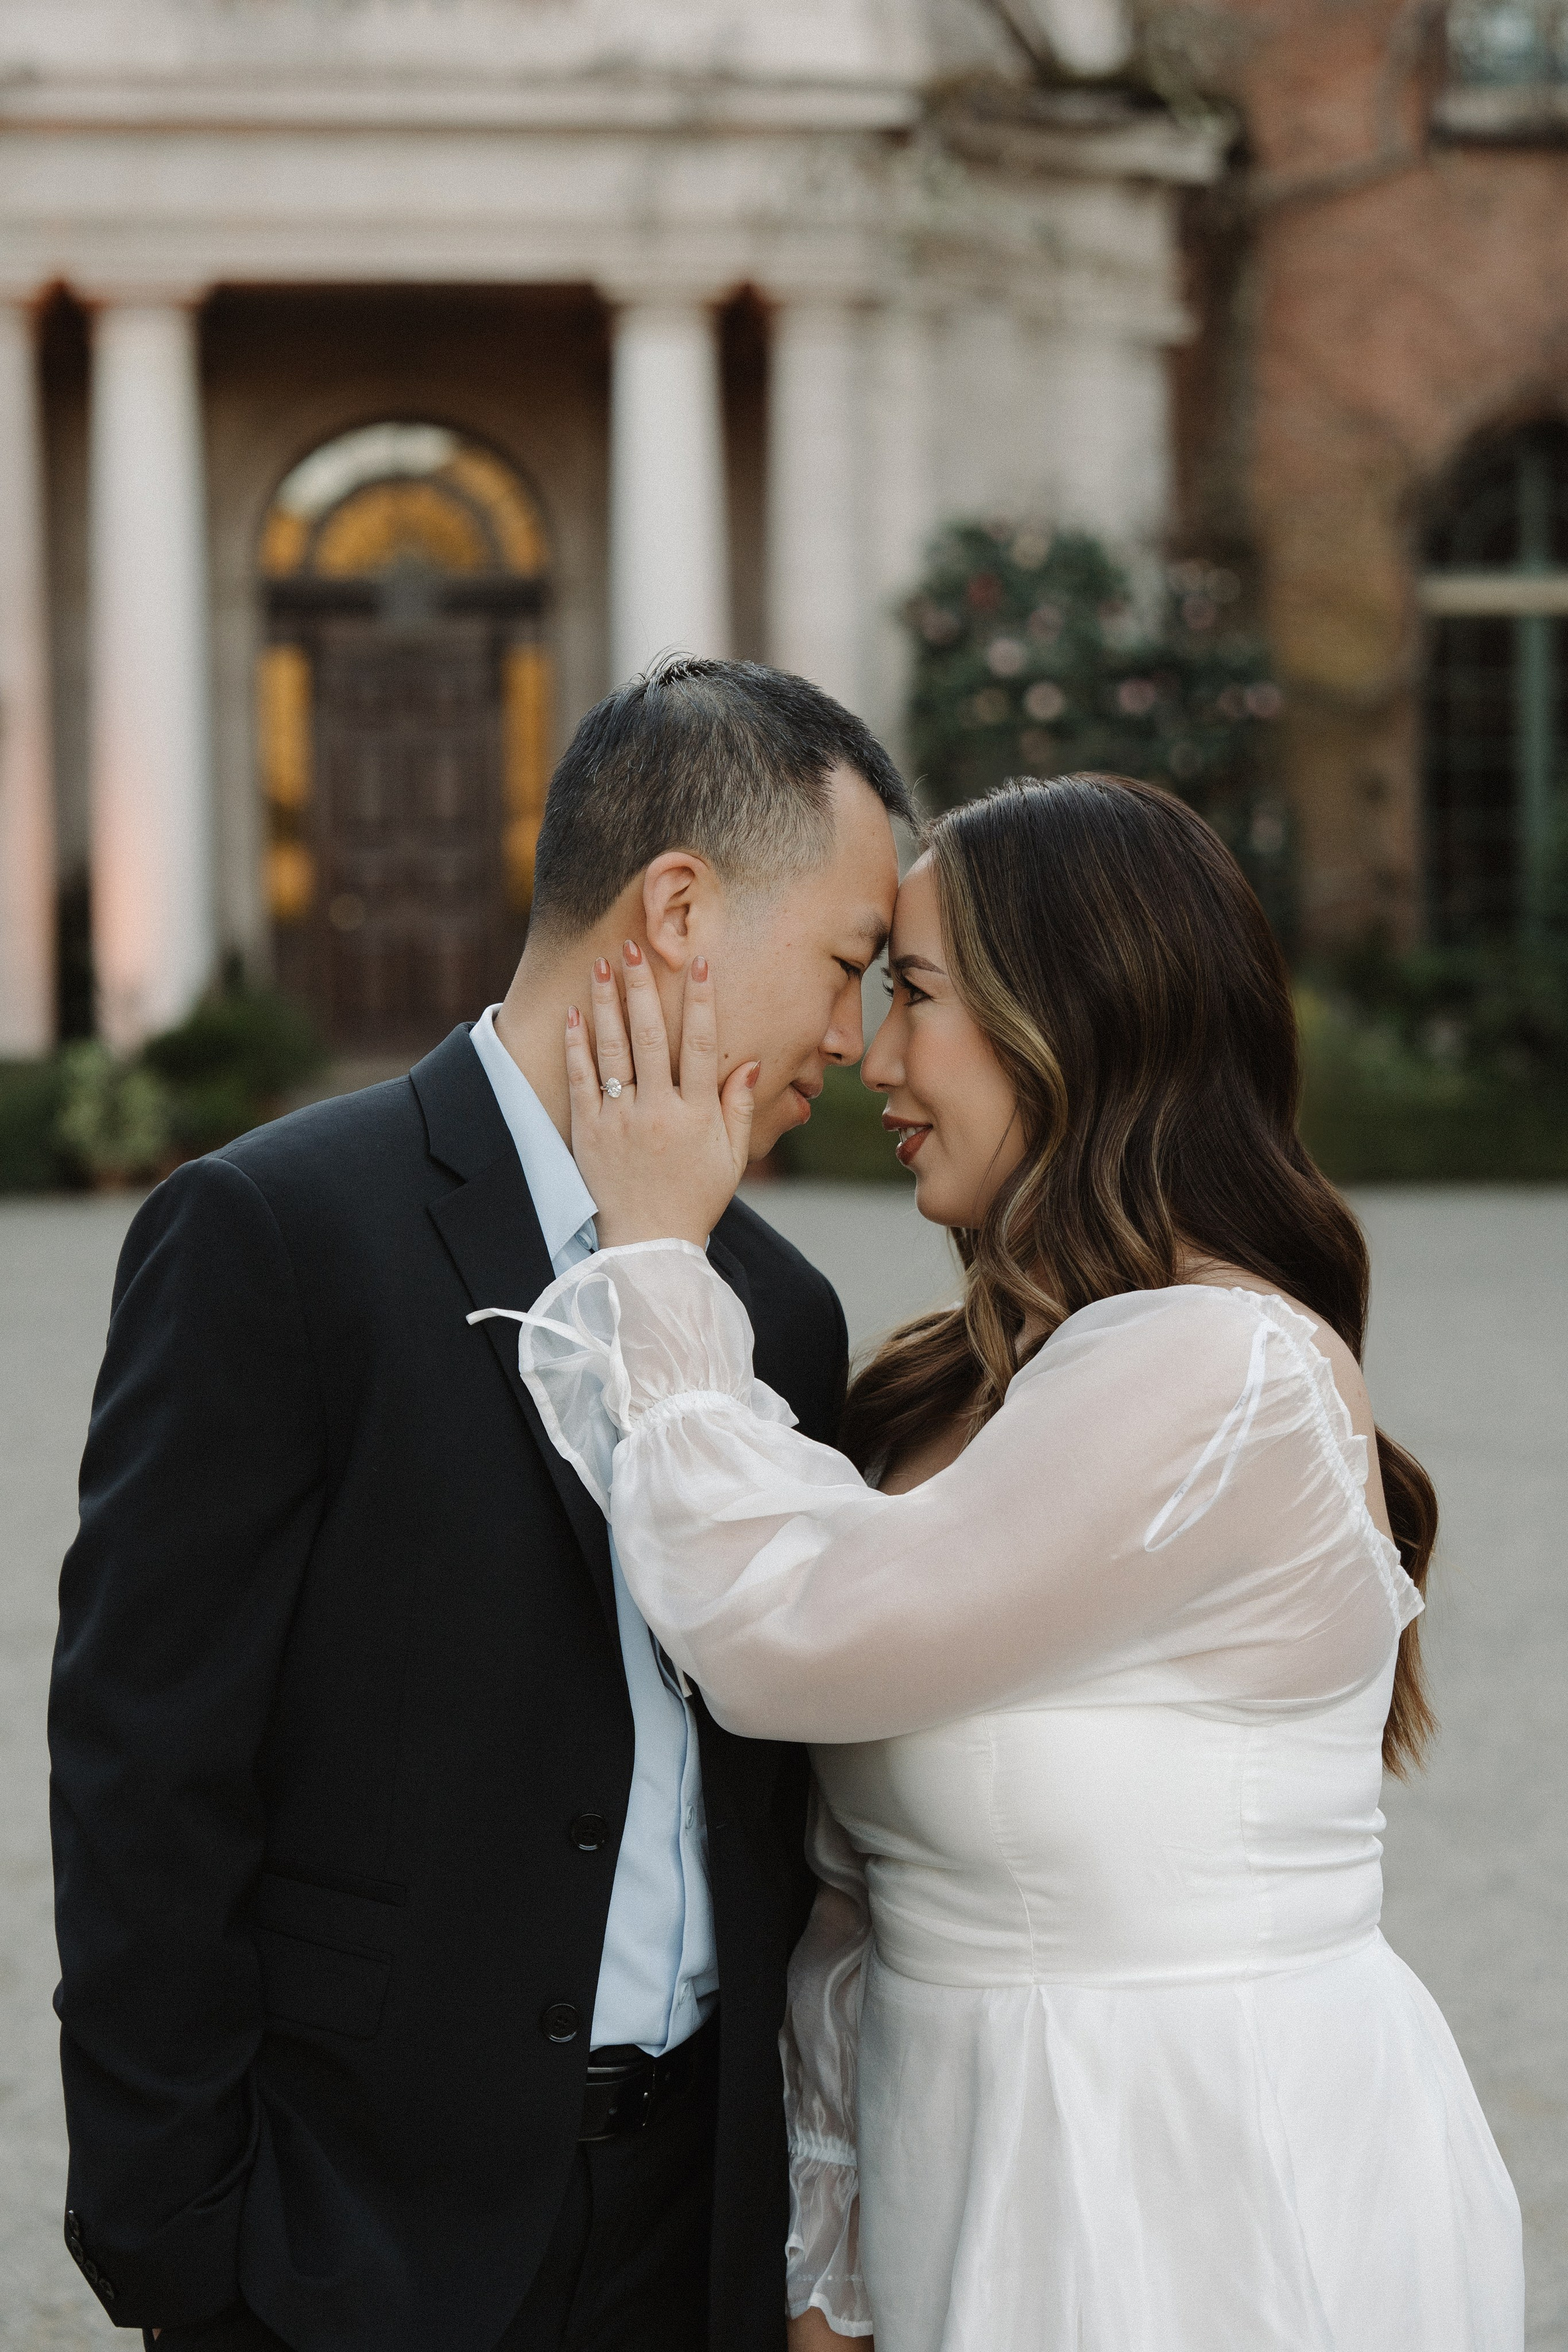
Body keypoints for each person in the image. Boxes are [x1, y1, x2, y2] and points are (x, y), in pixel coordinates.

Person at [510, 774, 1526, 2352]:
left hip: (1206, 2191)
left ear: (1083, 1016)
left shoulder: (1222, 1368)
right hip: (959, 2195)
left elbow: (791, 1630)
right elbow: (853, 1912)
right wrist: (832, 2269)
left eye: (911, 994)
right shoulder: (942, 1394)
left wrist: (650, 1260)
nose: (870, 1058)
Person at [48, 655, 910, 2352]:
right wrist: (185, 2247)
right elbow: (146, 1771)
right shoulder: (275, 1238)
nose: (848, 1036)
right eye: (843, 964)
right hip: (349, 2241)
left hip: (696, 2243)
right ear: (676, 909)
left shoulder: (787, 1314)